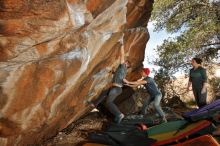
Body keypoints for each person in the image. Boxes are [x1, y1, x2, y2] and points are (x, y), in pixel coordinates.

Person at [105, 40, 131, 124]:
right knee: (108, 102)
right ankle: (117, 116)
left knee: (109, 102)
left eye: (125, 62)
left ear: (126, 64)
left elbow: (122, 55)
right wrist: (112, 72)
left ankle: (119, 115)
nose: (124, 62)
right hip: (117, 88)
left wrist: (121, 44)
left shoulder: (123, 67)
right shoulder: (123, 71)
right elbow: (119, 77)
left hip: (116, 88)